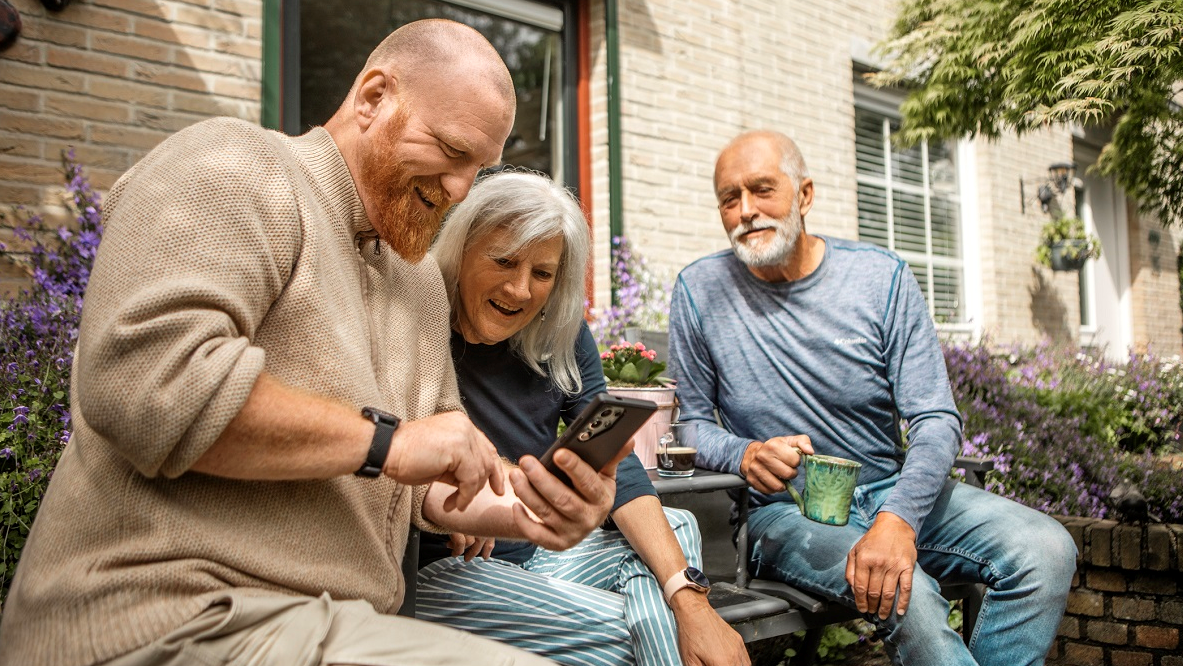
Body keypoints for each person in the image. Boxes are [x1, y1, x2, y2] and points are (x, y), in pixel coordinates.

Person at [0, 20, 620, 666]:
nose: (464, 190)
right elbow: (150, 383)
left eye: (480, 168)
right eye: (450, 150)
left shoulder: (418, 286)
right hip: (163, 618)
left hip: (331, 628)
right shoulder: (233, 165)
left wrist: (533, 510)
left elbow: (433, 479)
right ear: (373, 98)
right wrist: (391, 441)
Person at [668, 130, 1077, 666]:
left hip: (892, 492)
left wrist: (898, 520)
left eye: (762, 189)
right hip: (785, 514)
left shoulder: (881, 278)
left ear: (805, 194)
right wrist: (743, 454)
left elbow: (935, 419)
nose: (745, 210)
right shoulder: (699, 291)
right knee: (911, 597)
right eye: (729, 198)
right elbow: (690, 424)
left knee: (1045, 550)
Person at [416, 170, 750, 666]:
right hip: (446, 568)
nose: (519, 289)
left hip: (538, 555)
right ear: (463, 248)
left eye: (543, 273)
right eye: (503, 260)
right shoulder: (418, 314)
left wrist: (691, 602)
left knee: (675, 534)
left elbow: (620, 464)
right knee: (641, 629)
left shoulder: (562, 336)